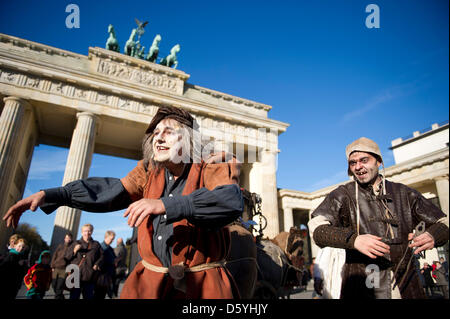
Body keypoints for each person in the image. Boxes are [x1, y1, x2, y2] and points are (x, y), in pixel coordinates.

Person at [3, 105, 244, 299]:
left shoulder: (213, 165)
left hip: (202, 288)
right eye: (155, 134)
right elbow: (109, 190)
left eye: (168, 132)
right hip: (148, 285)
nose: (158, 138)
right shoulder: (148, 172)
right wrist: (53, 194)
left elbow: (229, 201)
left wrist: (165, 205)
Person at [308, 137, 449, 299]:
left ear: (379, 161)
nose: (358, 166)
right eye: (353, 163)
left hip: (407, 284)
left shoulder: (404, 193)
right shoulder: (343, 194)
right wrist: (353, 240)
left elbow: (443, 222)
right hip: (361, 286)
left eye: (364, 160)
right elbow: (316, 228)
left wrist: (432, 235)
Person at [65, 224, 103, 299]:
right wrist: (74, 250)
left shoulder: (96, 244)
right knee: (74, 297)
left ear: (92, 232)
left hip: (90, 276)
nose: (87, 233)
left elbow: (102, 256)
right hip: (76, 276)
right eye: (85, 231)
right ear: (82, 232)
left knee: (88, 297)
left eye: (89, 231)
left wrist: (97, 264)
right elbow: (67, 257)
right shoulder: (75, 243)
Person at [94, 230, 116, 299]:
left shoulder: (110, 248)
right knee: (99, 294)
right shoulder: (101, 247)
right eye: (111, 239)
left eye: (113, 239)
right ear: (106, 237)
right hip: (101, 275)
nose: (112, 241)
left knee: (102, 294)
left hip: (107, 274)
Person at [50, 232, 73, 299]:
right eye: (66, 238)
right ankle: (61, 297)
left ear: (71, 239)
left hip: (64, 269)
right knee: (54, 285)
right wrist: (52, 265)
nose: (68, 239)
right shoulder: (60, 246)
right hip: (56, 268)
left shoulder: (72, 247)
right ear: (64, 239)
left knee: (59, 286)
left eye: (69, 238)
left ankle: (58, 297)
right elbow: (55, 255)